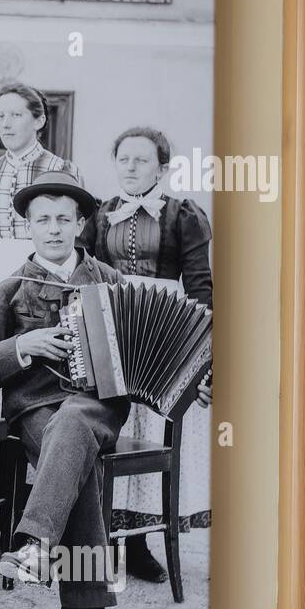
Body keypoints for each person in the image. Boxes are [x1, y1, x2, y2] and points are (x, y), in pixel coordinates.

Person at [0, 171, 139, 609]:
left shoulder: (111, 281)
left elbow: (139, 350)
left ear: (82, 224)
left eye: (65, 219)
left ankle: (35, 543)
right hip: (36, 409)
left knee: (77, 422)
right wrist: (23, 344)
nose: (55, 229)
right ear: (28, 227)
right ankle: (85, 607)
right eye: (44, 220)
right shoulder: (9, 289)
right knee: (70, 443)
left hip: (99, 406)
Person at [79, 126, 213, 581]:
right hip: (114, 328)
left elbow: (200, 289)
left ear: (162, 167)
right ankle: (101, 536)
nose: (131, 168)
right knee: (110, 429)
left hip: (166, 332)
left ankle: (139, 542)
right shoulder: (100, 215)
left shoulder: (183, 215)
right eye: (124, 160)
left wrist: (204, 358)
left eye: (141, 160)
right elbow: (87, 277)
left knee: (151, 431)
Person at [0, 82, 82, 298]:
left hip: (50, 277)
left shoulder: (62, 170)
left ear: (39, 121)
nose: (5, 124)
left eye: (16, 115)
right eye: (1, 116)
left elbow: (77, 236)